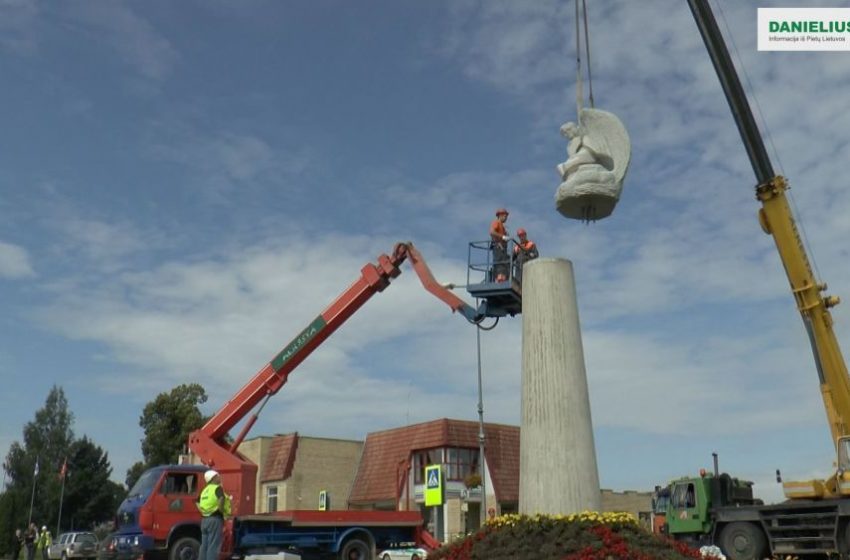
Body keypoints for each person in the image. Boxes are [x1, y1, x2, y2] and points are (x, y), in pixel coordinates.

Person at [197, 470, 231, 560]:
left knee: (204, 546)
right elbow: (221, 498)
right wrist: (221, 510)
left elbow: (197, 502)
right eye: (218, 476)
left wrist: (203, 511)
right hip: (215, 520)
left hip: (204, 520)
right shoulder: (217, 488)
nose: (219, 477)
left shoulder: (204, 490)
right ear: (213, 478)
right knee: (213, 546)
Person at [489, 208, 510, 282]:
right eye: (505, 216)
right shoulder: (496, 223)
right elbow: (491, 232)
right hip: (498, 247)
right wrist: (502, 236)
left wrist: (505, 236)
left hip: (502, 249)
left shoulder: (502, 227)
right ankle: (499, 278)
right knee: (499, 263)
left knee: (505, 261)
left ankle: (503, 277)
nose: (506, 218)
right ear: (500, 215)